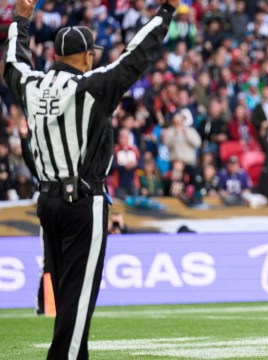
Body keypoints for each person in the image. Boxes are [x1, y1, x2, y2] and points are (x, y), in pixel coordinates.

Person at [2, 0, 179, 358]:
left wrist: (20, 20)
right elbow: (135, 56)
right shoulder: (90, 87)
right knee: (77, 303)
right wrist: (166, 11)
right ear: (85, 57)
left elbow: (12, 62)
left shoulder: (32, 87)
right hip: (83, 203)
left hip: (47, 204)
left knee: (67, 301)